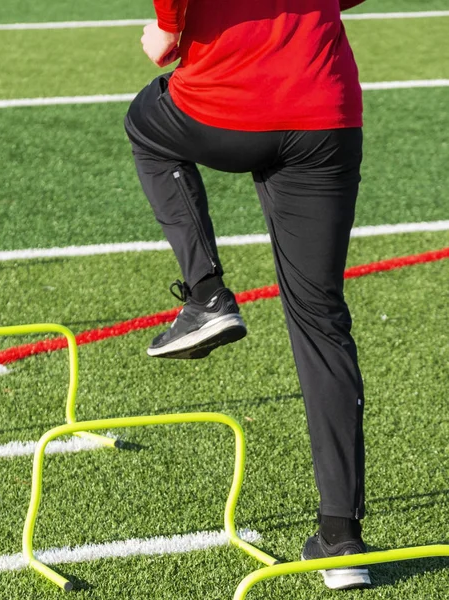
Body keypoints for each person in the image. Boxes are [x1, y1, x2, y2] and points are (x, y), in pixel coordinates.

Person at [125, 0, 370, 590]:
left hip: (225, 102)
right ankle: (342, 538)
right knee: (321, 321)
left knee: (146, 124)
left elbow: (166, 33)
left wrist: (166, 30)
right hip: (323, 110)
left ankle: (207, 293)